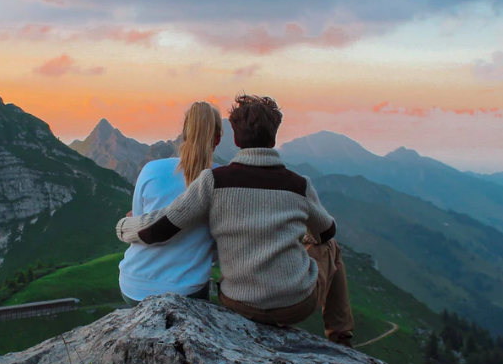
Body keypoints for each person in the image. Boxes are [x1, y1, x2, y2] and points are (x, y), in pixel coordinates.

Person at [115, 94, 354, 346]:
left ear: (236, 138)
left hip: (238, 303)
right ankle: (342, 338)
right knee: (331, 247)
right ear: (274, 136)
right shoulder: (299, 184)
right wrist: (302, 236)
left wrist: (123, 226)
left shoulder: (214, 181)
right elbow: (327, 232)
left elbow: (162, 228)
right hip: (295, 305)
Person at [118, 102, 222, 305]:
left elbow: (139, 222)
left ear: (183, 134)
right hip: (186, 289)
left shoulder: (151, 169)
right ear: (217, 139)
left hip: (134, 285)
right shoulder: (222, 179)